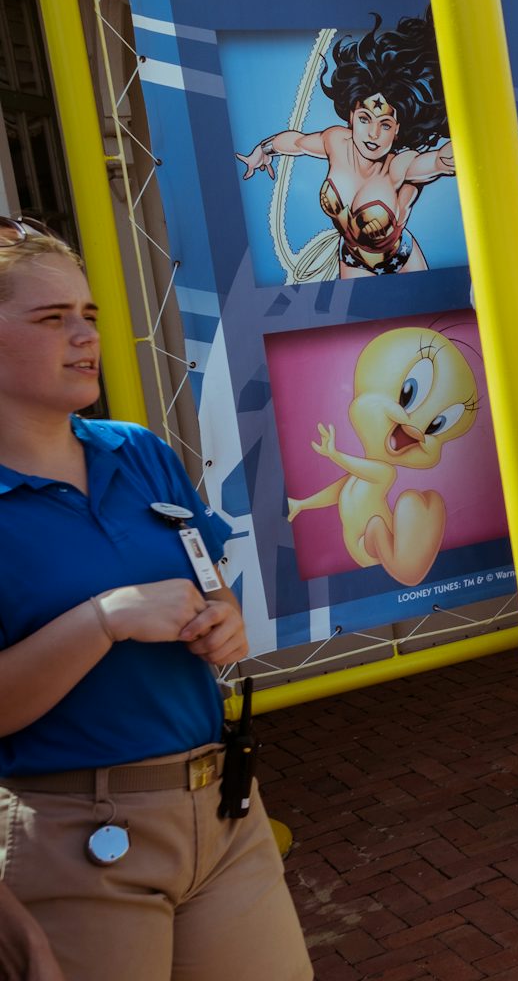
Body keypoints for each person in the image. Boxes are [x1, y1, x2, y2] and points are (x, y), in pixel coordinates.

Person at [0, 223, 312, 981]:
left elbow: (205, 580)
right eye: (51, 319)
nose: (83, 337)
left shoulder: (137, 451)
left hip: (223, 810)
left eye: (90, 315)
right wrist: (103, 620)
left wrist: (222, 617)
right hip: (74, 838)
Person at [236, 13, 453, 279]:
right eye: (365, 119)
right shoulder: (336, 141)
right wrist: (263, 150)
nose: (373, 134)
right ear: (351, 115)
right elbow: (296, 142)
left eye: (385, 124)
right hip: (351, 259)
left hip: (401, 261)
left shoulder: (399, 166)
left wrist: (458, 152)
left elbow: (437, 162)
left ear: (398, 130)